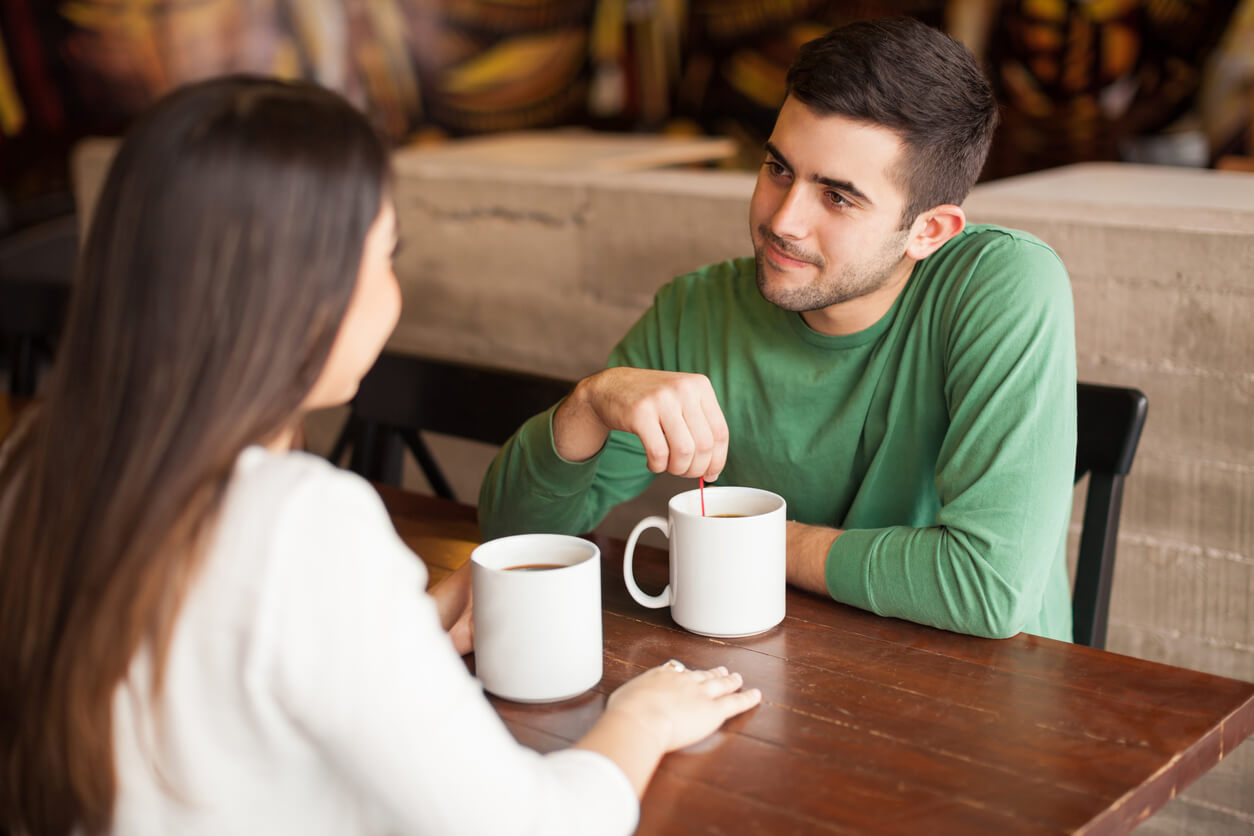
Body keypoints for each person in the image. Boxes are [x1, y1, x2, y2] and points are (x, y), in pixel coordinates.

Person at [0, 77, 759, 836]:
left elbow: (209, 677)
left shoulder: (36, 463)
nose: (392, 295)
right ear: (298, 291)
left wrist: (403, 629)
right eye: (383, 255)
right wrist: (645, 718)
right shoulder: (300, 520)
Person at [479, 17, 1078, 642]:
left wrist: (748, 540)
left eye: (838, 197)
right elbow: (511, 542)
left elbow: (985, 587)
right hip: (775, 677)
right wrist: (589, 404)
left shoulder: (1002, 283)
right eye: (778, 167)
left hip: (983, 701)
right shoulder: (696, 309)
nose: (783, 220)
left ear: (928, 231)